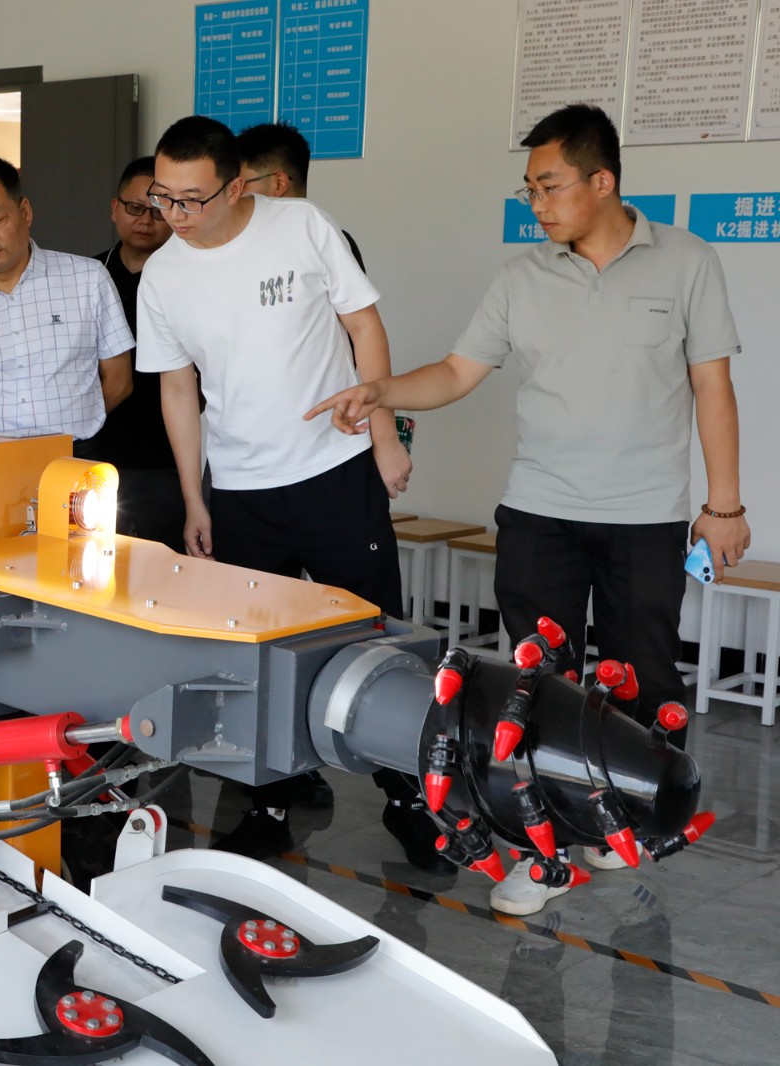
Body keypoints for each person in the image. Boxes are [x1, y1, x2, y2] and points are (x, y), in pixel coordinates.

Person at [307, 103, 748, 913]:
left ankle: (626, 823)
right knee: (532, 688)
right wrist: (380, 390)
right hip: (540, 512)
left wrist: (724, 507)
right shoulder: (520, 278)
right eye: (529, 189)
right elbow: (456, 373)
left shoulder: (687, 262)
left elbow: (712, 387)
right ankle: (539, 850)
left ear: (602, 181)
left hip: (647, 516)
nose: (537, 203)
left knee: (643, 679)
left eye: (549, 186)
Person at [138, 116, 441, 872]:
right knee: (257, 658)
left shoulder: (301, 226)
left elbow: (365, 329)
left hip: (334, 473)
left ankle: (410, 800)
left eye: (191, 199)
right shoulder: (164, 273)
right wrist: (196, 499)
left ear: (237, 186)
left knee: (377, 638)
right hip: (242, 491)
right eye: (163, 197)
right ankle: (269, 806)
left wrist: (384, 436)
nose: (175, 215)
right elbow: (178, 390)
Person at [0, 156, 133, 447]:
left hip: (76, 457)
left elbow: (119, 381)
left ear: (25, 212)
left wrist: (79, 424)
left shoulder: (88, 279)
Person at [80, 156, 186, 552]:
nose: (145, 220)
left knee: (165, 566)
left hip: (165, 457)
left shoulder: (189, 279)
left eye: (158, 210)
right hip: (94, 454)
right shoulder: (86, 277)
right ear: (115, 208)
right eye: (134, 208)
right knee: (91, 564)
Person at [235, 122, 365, 270]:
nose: (234, 195)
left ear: (279, 184)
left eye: (241, 185)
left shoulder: (330, 242)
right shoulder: (237, 244)